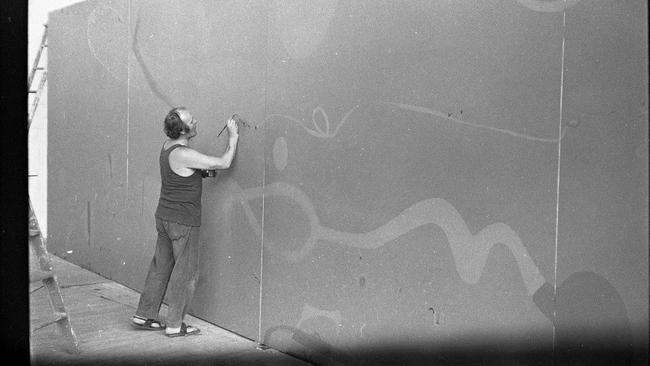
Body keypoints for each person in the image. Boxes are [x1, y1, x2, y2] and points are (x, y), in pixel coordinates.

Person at [131, 107, 239, 337]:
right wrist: (233, 137)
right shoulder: (183, 153)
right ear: (183, 129)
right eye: (192, 121)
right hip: (183, 222)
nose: (196, 122)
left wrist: (198, 173)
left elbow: (182, 172)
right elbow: (224, 163)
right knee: (186, 273)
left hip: (165, 217)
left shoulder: (167, 146)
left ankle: (144, 314)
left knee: (160, 267)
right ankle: (174, 325)